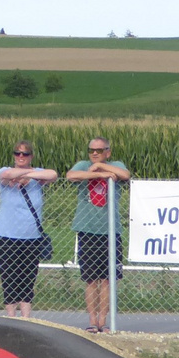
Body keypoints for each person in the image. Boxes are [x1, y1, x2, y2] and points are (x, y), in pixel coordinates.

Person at [66, 136, 132, 333]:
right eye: (91, 150)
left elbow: (125, 174)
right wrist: (94, 173)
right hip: (87, 228)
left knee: (107, 279)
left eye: (99, 151)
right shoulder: (84, 165)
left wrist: (103, 168)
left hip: (110, 230)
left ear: (108, 152)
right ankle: (92, 320)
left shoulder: (115, 164)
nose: (95, 154)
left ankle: (103, 321)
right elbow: (71, 175)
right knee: (90, 278)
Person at [0, 140, 58, 319]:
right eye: (17, 153)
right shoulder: (6, 172)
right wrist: (26, 174)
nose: (21, 157)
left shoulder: (37, 176)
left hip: (31, 235)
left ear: (31, 156)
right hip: (6, 233)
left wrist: (30, 175)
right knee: (9, 275)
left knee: (28, 276)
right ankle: (11, 315)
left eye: (25, 154)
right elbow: (6, 174)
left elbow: (53, 175)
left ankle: (26, 317)